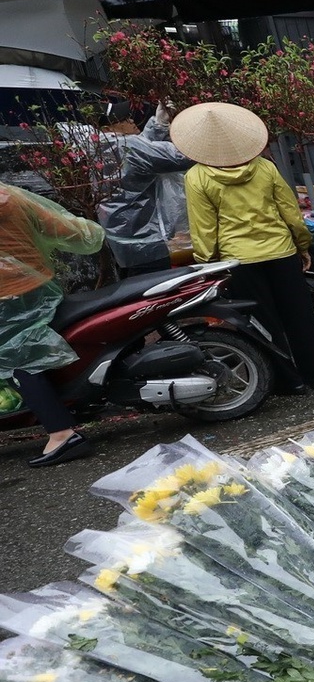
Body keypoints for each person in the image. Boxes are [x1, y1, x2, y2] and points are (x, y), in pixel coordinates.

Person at [175, 102, 314, 394]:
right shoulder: (265, 167)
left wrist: (206, 263)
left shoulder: (197, 177)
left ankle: (289, 382)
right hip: (282, 252)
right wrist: (303, 246)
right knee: (300, 316)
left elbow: (204, 229)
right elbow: (291, 212)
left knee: (262, 322)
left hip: (239, 261)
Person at [1, 184, 104, 466]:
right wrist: (90, 230)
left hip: (8, 300)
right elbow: (62, 228)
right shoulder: (15, 196)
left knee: (17, 359)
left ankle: (61, 434)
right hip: (38, 287)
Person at [100, 103, 192, 278]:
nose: (132, 121)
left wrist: (158, 125)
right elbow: (180, 157)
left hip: (122, 243)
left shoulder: (102, 147)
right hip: (146, 244)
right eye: (124, 120)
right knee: (158, 290)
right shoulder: (128, 147)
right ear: (107, 128)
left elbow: (144, 149)